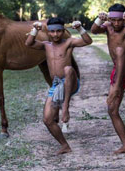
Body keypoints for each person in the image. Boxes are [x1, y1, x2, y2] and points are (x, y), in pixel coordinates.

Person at [25, 17, 92, 154]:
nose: (56, 35)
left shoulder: (68, 43)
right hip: (56, 86)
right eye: (53, 32)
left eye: (59, 31)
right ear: (48, 32)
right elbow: (29, 43)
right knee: (47, 119)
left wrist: (80, 28)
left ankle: (65, 107)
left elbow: (87, 41)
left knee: (68, 69)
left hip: (70, 82)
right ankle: (64, 145)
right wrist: (35, 30)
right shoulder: (46, 45)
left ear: (64, 31)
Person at [91, 3, 125, 154]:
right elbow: (93, 30)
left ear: (124, 20)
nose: (117, 23)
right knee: (112, 110)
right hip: (117, 70)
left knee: (120, 50)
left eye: (120, 20)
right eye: (113, 20)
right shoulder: (107, 27)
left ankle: (117, 87)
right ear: (110, 19)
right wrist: (99, 19)